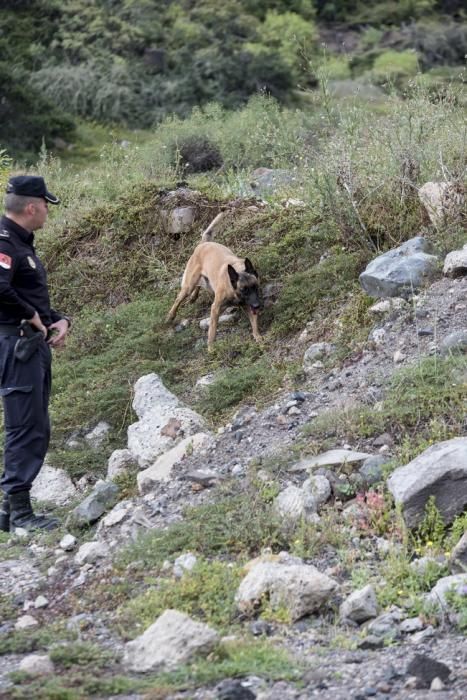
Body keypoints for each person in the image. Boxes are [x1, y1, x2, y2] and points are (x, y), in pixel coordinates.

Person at [0, 175, 70, 532]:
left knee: (34, 425)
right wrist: (31, 318)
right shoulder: (5, 243)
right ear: (32, 207)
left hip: (30, 343)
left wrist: (58, 320)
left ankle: (9, 511)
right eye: (45, 205)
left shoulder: (20, 243)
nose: (47, 212)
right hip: (17, 345)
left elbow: (29, 296)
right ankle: (20, 513)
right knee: (25, 426)